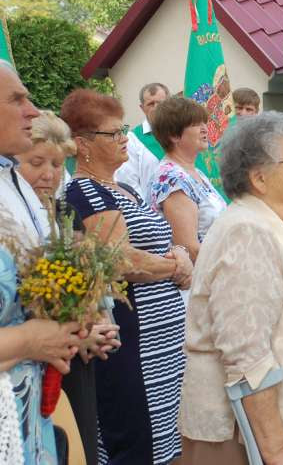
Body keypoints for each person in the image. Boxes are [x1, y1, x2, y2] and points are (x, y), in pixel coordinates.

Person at [180, 112, 283, 465]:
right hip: (248, 445)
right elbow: (246, 354)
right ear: (259, 178)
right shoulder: (247, 232)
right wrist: (278, 447)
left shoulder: (276, 228)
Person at [60, 89, 192, 464]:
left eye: (125, 130)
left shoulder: (126, 189)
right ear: (83, 144)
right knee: (136, 443)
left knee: (167, 441)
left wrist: (179, 254)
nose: (124, 140)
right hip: (135, 341)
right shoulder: (85, 192)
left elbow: (161, 242)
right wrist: (175, 266)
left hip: (163, 344)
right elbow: (119, 261)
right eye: (113, 133)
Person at [17, 110, 120, 465]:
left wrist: (99, 322)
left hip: (77, 361)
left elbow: (91, 281)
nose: (48, 174)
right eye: (36, 163)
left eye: (57, 165)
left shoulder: (64, 213)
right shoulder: (12, 220)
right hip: (35, 363)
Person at [0, 60, 83, 465]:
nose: (32, 111)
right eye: (17, 99)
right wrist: (30, 340)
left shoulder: (12, 183)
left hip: (27, 416)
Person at [148, 97, 227, 264]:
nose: (205, 129)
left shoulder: (195, 172)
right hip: (197, 281)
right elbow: (189, 248)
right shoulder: (172, 178)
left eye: (204, 123)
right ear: (174, 135)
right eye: (196, 124)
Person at [115, 82, 169, 199]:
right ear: (142, 108)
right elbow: (129, 183)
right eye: (151, 104)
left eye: (160, 103)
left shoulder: (181, 132)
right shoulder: (132, 140)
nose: (156, 108)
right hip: (155, 213)